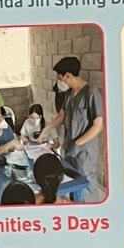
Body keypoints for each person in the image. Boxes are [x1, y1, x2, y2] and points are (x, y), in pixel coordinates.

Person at [41, 55, 106, 202]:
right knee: (72, 184)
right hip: (70, 149)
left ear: (68, 75)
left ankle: (91, 217)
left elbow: (98, 125)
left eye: (60, 78)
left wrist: (78, 143)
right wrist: (47, 129)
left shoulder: (91, 93)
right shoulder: (69, 94)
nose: (59, 82)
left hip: (84, 153)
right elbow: (62, 115)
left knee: (86, 186)